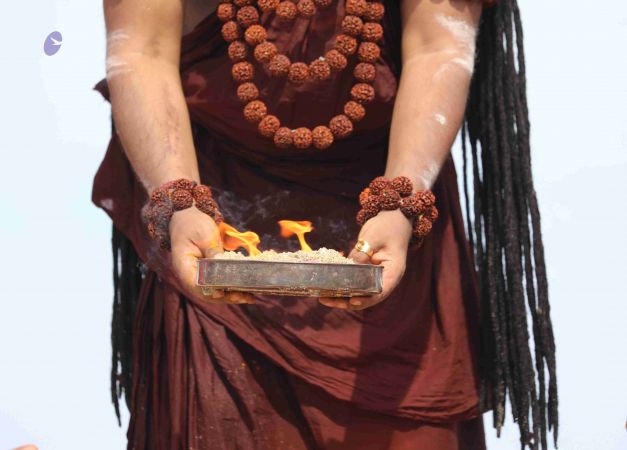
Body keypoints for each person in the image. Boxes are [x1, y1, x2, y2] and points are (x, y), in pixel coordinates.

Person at [92, 0, 557, 449]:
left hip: (394, 221)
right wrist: (179, 202)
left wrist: (400, 203)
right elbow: (142, 50)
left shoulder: (399, 205)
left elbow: (439, 45)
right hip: (208, 228)